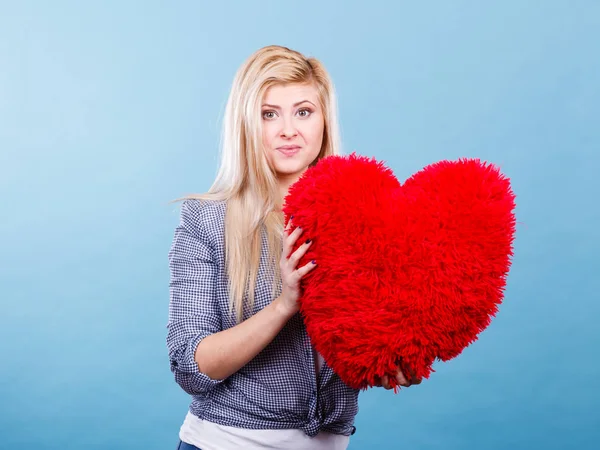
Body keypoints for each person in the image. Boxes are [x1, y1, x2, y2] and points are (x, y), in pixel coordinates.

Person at [166, 44, 421, 450]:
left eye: (303, 111)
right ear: (248, 124)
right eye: (269, 114)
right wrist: (285, 302)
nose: (289, 130)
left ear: (323, 121)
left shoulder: (363, 215)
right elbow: (190, 367)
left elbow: (362, 342)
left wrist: (392, 361)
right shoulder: (207, 220)